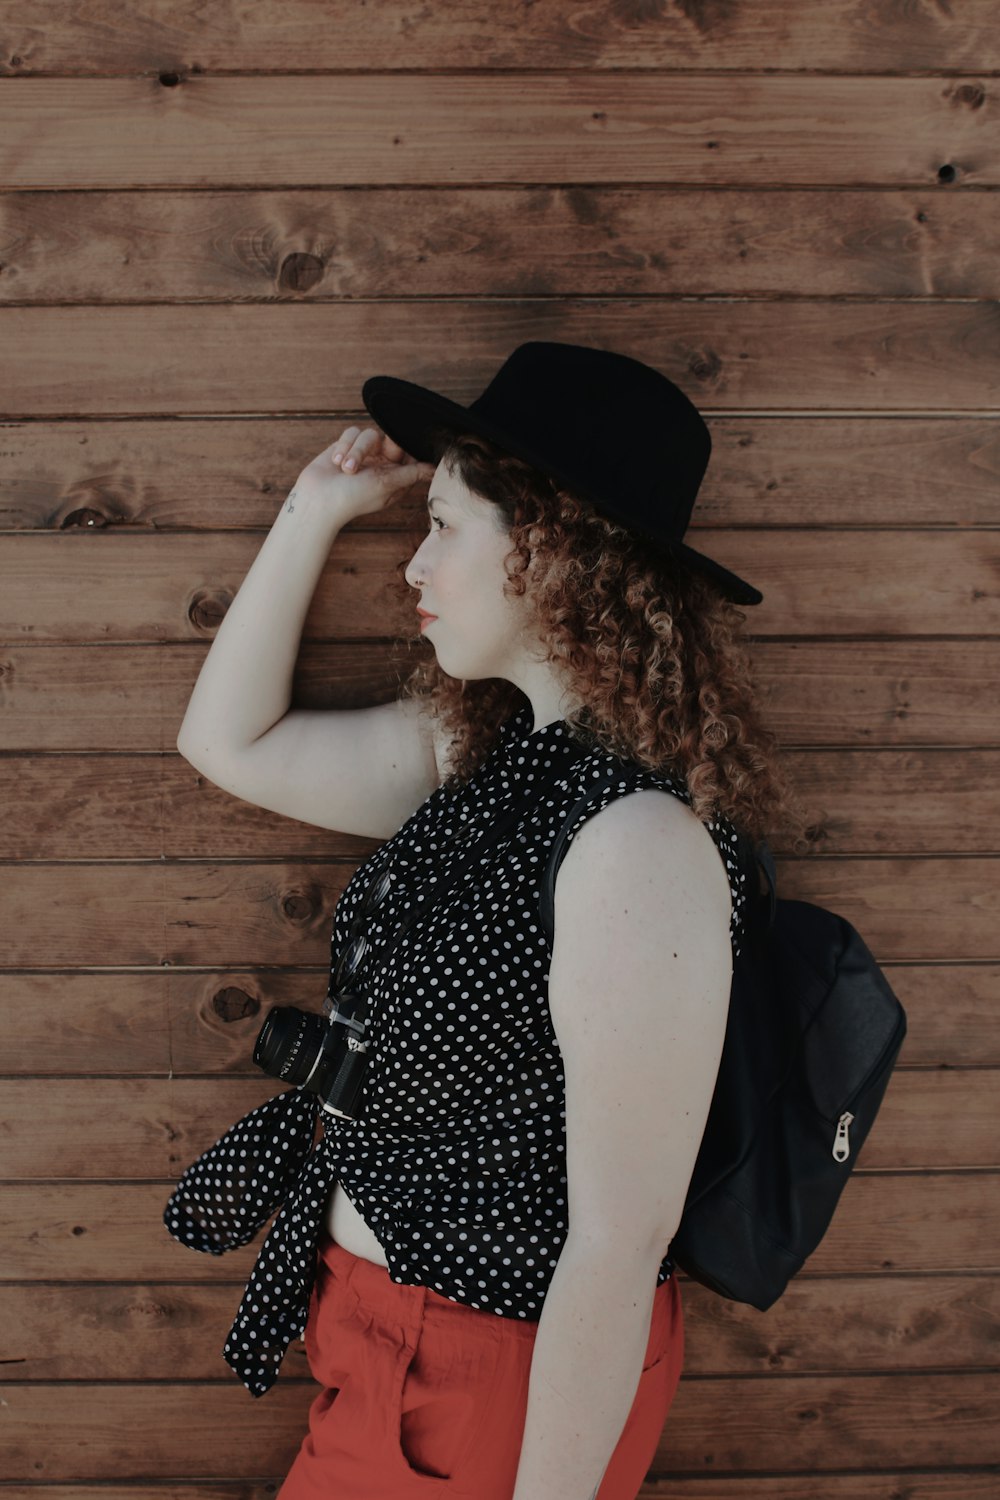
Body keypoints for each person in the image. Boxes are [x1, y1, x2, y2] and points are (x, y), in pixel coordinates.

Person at [165, 341, 805, 1500]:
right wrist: (311, 512)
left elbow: (615, 1245)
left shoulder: (637, 847)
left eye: (446, 526)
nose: (412, 561)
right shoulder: (491, 756)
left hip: (491, 1383)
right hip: (383, 1345)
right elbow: (227, 744)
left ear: (557, 553)